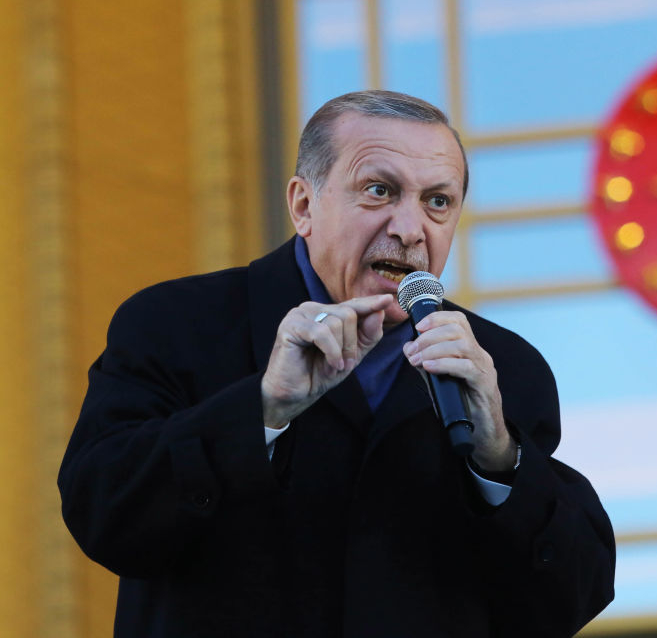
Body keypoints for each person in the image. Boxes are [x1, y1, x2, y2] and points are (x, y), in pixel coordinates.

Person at [59, 90, 615, 637]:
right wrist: (263, 408)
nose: (410, 228)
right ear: (304, 206)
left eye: (437, 202)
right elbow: (103, 514)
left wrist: (499, 458)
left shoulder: (505, 367)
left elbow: (567, 599)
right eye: (380, 190)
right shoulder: (175, 322)